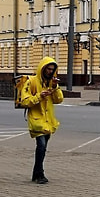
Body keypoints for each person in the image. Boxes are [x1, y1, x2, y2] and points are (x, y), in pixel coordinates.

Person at [19, 56, 64, 184]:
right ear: (42, 69)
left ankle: (36, 173)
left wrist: (55, 88)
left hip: (48, 120)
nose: (50, 72)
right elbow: (25, 101)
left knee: (43, 148)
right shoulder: (31, 81)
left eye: (52, 69)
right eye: (48, 69)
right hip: (36, 119)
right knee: (41, 146)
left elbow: (59, 100)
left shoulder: (52, 82)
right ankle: (40, 174)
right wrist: (39, 96)